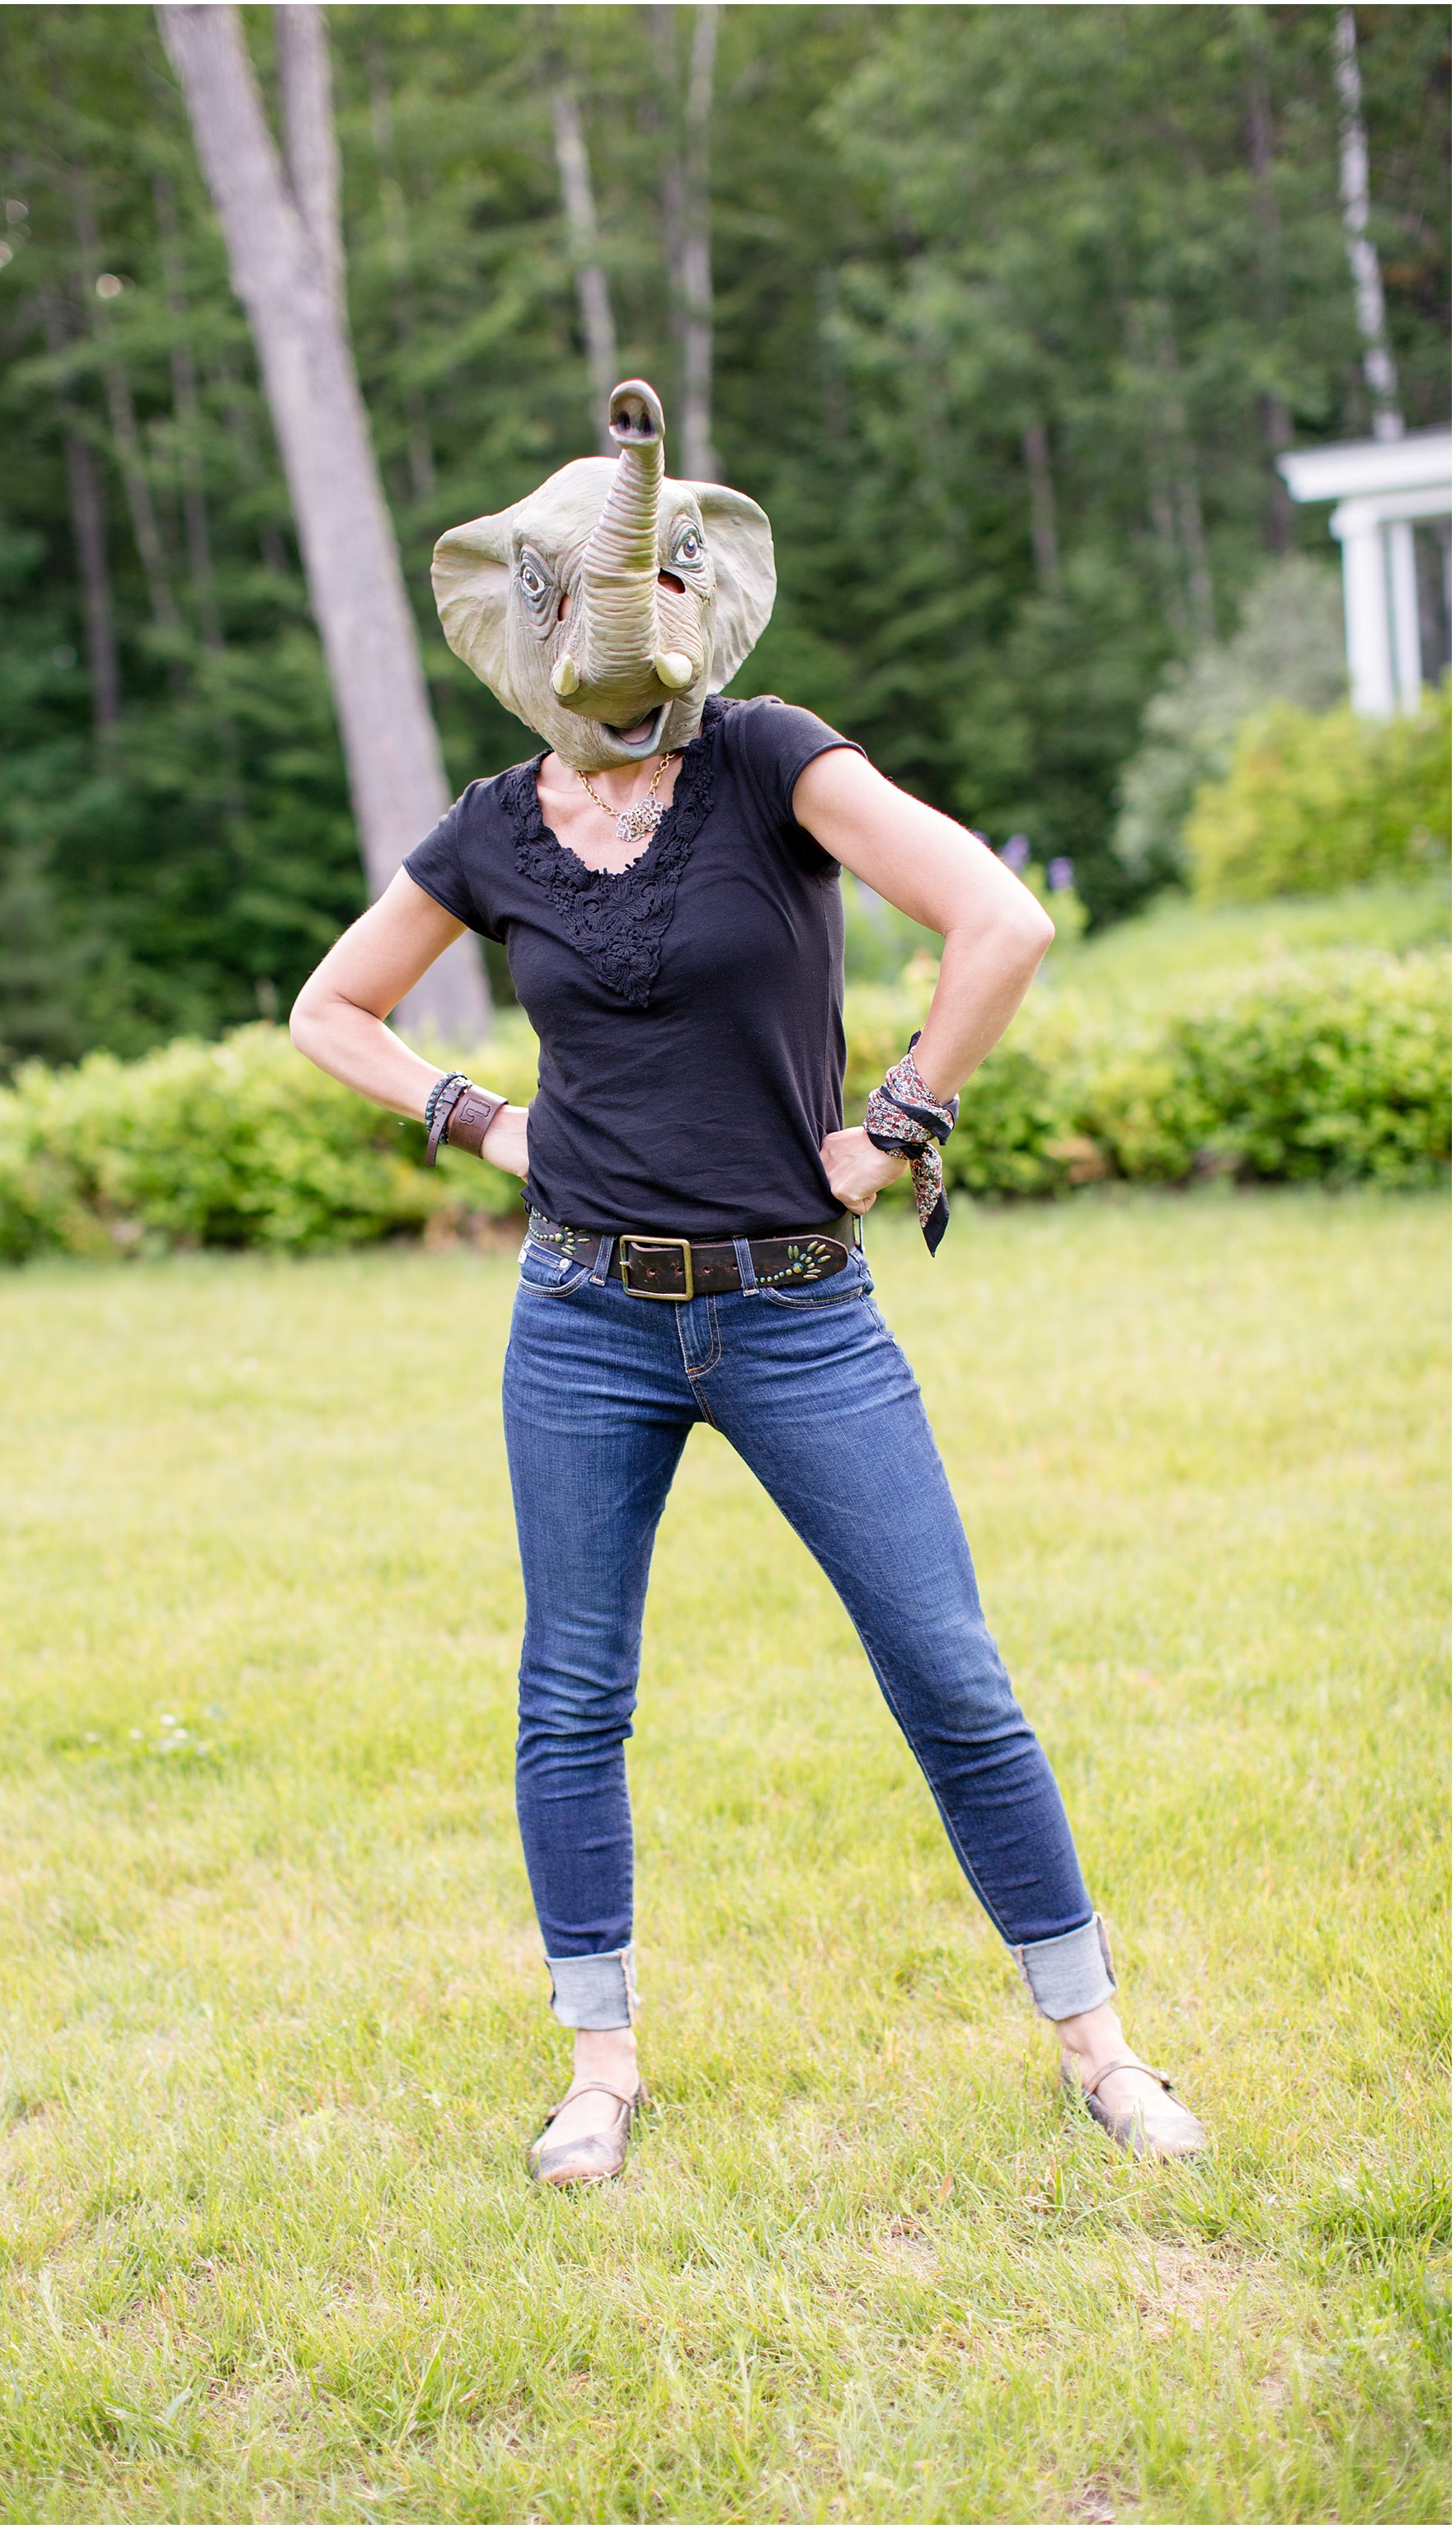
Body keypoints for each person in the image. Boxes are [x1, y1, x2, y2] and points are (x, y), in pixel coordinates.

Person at [290, 381, 1205, 2184]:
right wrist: (483, 1120)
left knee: (952, 1676)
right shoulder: (493, 826)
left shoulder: (775, 759)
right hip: (583, 1319)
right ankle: (599, 2067)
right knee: (572, 1697)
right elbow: (331, 1009)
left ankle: (1099, 2048)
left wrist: (898, 1121)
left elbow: (998, 921)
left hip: (797, 1309)